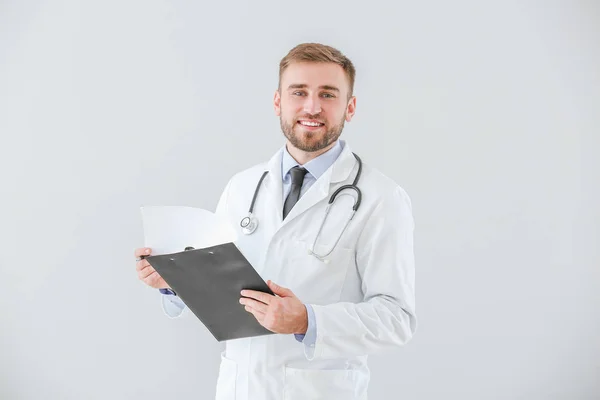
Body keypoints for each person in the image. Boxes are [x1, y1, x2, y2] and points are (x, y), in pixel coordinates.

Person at [134, 42, 416, 400]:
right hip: (241, 388)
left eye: (328, 94)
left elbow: (397, 318)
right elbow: (219, 286)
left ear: (351, 106)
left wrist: (307, 321)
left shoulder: (381, 198)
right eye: (299, 92)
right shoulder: (242, 187)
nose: (312, 107)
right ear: (278, 102)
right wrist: (175, 281)